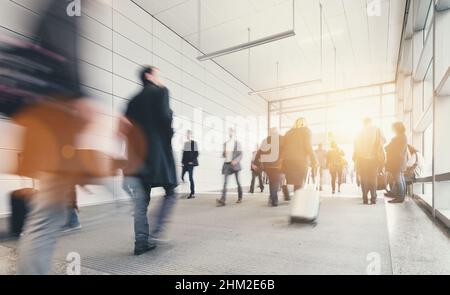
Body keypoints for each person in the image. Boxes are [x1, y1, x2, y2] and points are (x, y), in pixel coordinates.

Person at [15, 0, 96, 275]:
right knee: (46, 217)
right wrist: (81, 96)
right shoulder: (66, 6)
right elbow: (64, 53)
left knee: (47, 214)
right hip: (55, 122)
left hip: (46, 122)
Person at [122, 66, 178, 255]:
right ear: (148, 76)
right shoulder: (161, 92)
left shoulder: (132, 101)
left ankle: (141, 242)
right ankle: (157, 229)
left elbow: (127, 129)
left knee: (141, 202)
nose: (158, 78)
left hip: (137, 157)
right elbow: (165, 120)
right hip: (157, 155)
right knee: (171, 192)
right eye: (156, 74)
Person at [281, 118, 317, 195]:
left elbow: (282, 146)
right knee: (299, 180)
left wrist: (283, 159)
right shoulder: (306, 131)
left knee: (290, 178)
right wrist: (314, 159)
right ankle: (297, 196)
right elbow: (308, 145)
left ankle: (286, 188)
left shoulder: (288, 132)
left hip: (288, 159)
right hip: (300, 160)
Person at [353, 118, 385, 205]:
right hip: (374, 159)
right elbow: (383, 141)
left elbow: (355, 145)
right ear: (371, 121)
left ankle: (365, 198)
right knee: (373, 178)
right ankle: (373, 198)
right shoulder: (377, 129)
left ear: (363, 123)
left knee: (364, 179)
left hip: (362, 159)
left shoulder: (359, 131)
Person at [256, 128, 284, 206]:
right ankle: (274, 199)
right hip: (277, 165)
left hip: (268, 166)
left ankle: (272, 198)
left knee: (272, 182)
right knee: (275, 183)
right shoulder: (281, 139)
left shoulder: (265, 140)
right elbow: (286, 150)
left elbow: (259, 152)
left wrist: (256, 162)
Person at [217, 128, 243, 206]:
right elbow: (223, 155)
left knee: (238, 182)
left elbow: (240, 154)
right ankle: (223, 199)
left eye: (232, 131)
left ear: (234, 133)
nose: (230, 133)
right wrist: (224, 153)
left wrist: (236, 161)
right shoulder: (226, 143)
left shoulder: (237, 143)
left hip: (234, 164)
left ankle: (240, 197)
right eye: (229, 131)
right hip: (227, 165)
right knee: (225, 182)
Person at [385, 122, 408, 204]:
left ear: (396, 128)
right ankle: (400, 196)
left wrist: (388, 147)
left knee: (398, 180)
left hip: (397, 162)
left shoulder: (399, 137)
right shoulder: (403, 136)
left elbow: (389, 148)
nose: (392, 130)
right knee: (401, 179)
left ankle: (400, 198)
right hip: (401, 161)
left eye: (393, 128)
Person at [181, 130, 199, 199]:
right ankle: (185, 190)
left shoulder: (194, 143)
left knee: (190, 178)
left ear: (191, 135)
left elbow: (196, 153)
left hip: (191, 164)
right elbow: (184, 154)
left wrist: (191, 161)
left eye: (189, 134)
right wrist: (182, 162)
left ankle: (192, 193)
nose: (187, 135)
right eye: (187, 134)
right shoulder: (186, 143)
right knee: (182, 176)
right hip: (185, 164)